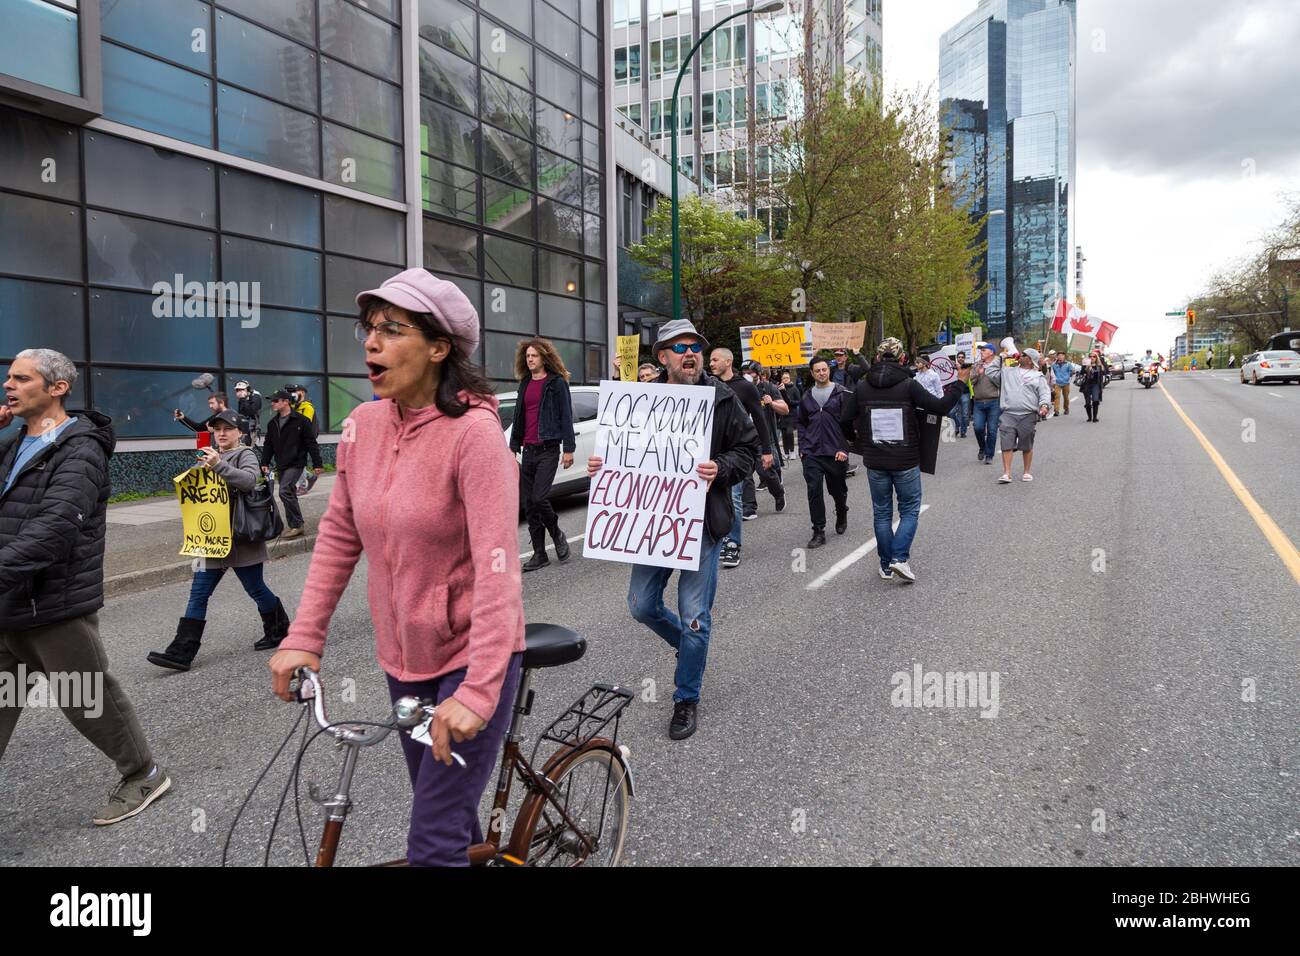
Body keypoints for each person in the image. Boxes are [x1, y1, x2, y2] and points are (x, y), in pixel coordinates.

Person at [270, 268, 526, 867]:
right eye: (369, 328)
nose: (371, 342)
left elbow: (498, 569)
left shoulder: (474, 435)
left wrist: (480, 689)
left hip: (469, 658)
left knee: (431, 845)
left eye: (392, 329)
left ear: (439, 348)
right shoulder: (362, 426)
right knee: (449, 818)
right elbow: (338, 535)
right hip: (404, 659)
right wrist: (304, 636)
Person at [0, 349, 171, 825]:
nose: (8, 385)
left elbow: (56, 527)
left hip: (53, 605)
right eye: (7, 377)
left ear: (57, 388)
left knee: (86, 699)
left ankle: (143, 773)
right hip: (8, 601)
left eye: (21, 378)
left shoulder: (80, 447)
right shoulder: (13, 444)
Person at [588, 319, 757, 740]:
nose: (690, 353)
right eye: (679, 347)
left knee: (696, 617)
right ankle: (688, 649)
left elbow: (747, 450)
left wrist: (722, 468)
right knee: (641, 606)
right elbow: (622, 453)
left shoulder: (723, 399)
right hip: (654, 524)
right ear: (661, 357)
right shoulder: (638, 400)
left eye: (696, 346)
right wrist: (602, 466)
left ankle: (686, 697)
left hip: (701, 524)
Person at [147, 410, 290, 671]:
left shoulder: (244, 454)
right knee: (199, 593)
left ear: (240, 432)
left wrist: (218, 465)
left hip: (240, 538)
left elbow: (248, 481)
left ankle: (279, 629)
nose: (221, 434)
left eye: (228, 429)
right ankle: (181, 651)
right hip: (211, 539)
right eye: (217, 429)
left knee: (256, 588)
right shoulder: (207, 455)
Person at [843, 338, 959, 582]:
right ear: (903, 358)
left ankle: (886, 565)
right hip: (906, 459)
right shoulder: (909, 385)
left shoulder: (863, 387)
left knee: (882, 513)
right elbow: (939, 408)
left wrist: (855, 440)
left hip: (875, 461)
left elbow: (844, 418)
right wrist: (959, 385)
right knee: (909, 510)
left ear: (876, 358)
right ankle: (899, 558)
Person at [509, 338, 576, 573]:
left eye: (534, 356)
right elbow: (519, 416)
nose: (530, 359)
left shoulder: (556, 383)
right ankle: (539, 553)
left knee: (539, 498)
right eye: (527, 356)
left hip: (548, 448)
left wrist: (569, 448)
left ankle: (556, 532)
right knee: (529, 504)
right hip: (528, 450)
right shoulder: (526, 383)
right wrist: (513, 446)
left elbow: (565, 415)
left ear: (544, 358)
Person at [707, 346, 777, 569]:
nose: (711, 363)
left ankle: (733, 543)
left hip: (735, 453)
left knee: (735, 497)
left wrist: (766, 450)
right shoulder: (706, 385)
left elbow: (759, 419)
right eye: (709, 360)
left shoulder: (745, 388)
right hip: (709, 453)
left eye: (715, 359)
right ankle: (713, 537)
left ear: (728, 362)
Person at [796, 356, 853, 549]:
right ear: (812, 373)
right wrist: (803, 448)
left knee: (837, 489)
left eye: (824, 369)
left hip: (836, 452)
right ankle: (818, 531)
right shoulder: (806, 397)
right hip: (812, 453)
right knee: (814, 491)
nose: (821, 373)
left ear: (828, 370)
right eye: (817, 370)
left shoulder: (841, 393)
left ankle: (841, 509)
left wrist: (844, 448)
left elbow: (850, 424)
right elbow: (802, 424)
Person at [260, 390, 322, 539]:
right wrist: (264, 462)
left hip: (296, 462)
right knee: (289, 493)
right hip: (281, 463)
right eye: (272, 401)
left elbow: (311, 443)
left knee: (284, 491)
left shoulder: (301, 421)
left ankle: (296, 525)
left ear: (286, 402)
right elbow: (268, 444)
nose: (272, 403)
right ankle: (296, 524)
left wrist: (317, 463)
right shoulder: (272, 423)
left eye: (275, 401)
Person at [988, 347, 1053, 483]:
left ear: (1030, 360)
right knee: (1006, 443)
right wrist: (1000, 358)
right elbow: (990, 372)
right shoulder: (1008, 372)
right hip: (1008, 413)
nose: (1020, 355)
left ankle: (1026, 472)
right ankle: (1006, 473)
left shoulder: (1038, 376)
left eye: (1024, 355)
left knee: (1027, 444)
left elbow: (1044, 393)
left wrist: (1045, 405)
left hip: (1028, 415)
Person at [740, 361, 787, 521]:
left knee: (764, 471)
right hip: (745, 440)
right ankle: (749, 508)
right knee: (745, 475)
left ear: (759, 373)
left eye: (751, 372)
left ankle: (778, 493)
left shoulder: (768, 388)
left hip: (763, 438)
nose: (747, 375)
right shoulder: (740, 388)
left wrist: (771, 402)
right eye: (744, 372)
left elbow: (785, 409)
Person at [970, 342, 1002, 465]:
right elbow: (971, 379)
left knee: (992, 430)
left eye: (984, 350)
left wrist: (988, 372)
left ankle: (989, 455)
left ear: (991, 352)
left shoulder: (999, 364)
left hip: (993, 401)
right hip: (978, 402)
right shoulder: (977, 364)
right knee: (978, 428)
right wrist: (978, 373)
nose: (981, 352)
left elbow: (1001, 382)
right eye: (981, 350)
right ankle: (982, 447)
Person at [778, 370, 802, 460]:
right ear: (782, 379)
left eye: (787, 378)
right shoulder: (779, 389)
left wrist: (791, 402)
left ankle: (792, 451)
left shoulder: (794, 388)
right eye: (784, 378)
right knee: (784, 435)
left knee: (789, 433)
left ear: (790, 378)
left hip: (791, 414)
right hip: (782, 414)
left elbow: (799, 401)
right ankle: (786, 452)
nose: (785, 379)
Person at [1079, 350, 1108, 422]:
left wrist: (1103, 362)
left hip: (1096, 385)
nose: (1092, 358)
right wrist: (1085, 366)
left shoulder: (1099, 366)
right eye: (1090, 356)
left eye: (1094, 356)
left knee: (1095, 400)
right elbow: (1081, 373)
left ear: (1096, 358)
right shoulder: (1086, 365)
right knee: (1088, 403)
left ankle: (1095, 417)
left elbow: (1106, 372)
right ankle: (1089, 417)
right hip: (1087, 385)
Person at [234, 380, 263, 445]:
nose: (240, 392)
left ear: (248, 389)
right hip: (244, 425)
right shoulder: (242, 399)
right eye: (238, 390)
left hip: (253, 426)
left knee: (249, 446)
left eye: (242, 390)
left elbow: (251, 411)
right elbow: (241, 413)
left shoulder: (256, 396)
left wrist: (243, 400)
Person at [949, 359, 972, 437]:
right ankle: (958, 424)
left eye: (962, 357)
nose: (960, 358)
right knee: (951, 413)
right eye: (959, 357)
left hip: (965, 393)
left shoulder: (967, 369)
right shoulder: (953, 370)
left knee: (965, 414)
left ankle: (963, 431)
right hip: (955, 394)